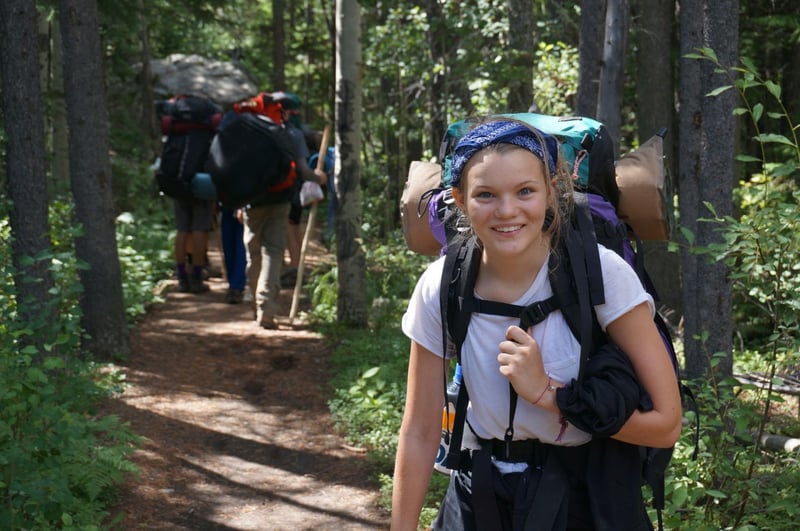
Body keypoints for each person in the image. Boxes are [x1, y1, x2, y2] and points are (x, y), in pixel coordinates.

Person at [390, 118, 682, 530]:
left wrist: (548, 394)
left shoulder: (602, 274)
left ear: (551, 191)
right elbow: (420, 431)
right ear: (459, 198)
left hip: (583, 496)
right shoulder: (442, 284)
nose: (507, 211)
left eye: (525, 191)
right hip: (478, 493)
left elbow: (667, 426)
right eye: (486, 195)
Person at [242, 91, 327, 329]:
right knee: (274, 251)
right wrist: (318, 178)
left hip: (251, 201)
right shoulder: (291, 133)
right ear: (286, 111)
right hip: (280, 200)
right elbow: (302, 170)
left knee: (253, 252)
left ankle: (253, 303)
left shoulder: (248, 131)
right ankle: (266, 308)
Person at [173, 197, 213, 294]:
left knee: (182, 230)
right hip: (202, 190)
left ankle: (182, 278)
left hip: (180, 190)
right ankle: (196, 277)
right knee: (199, 230)